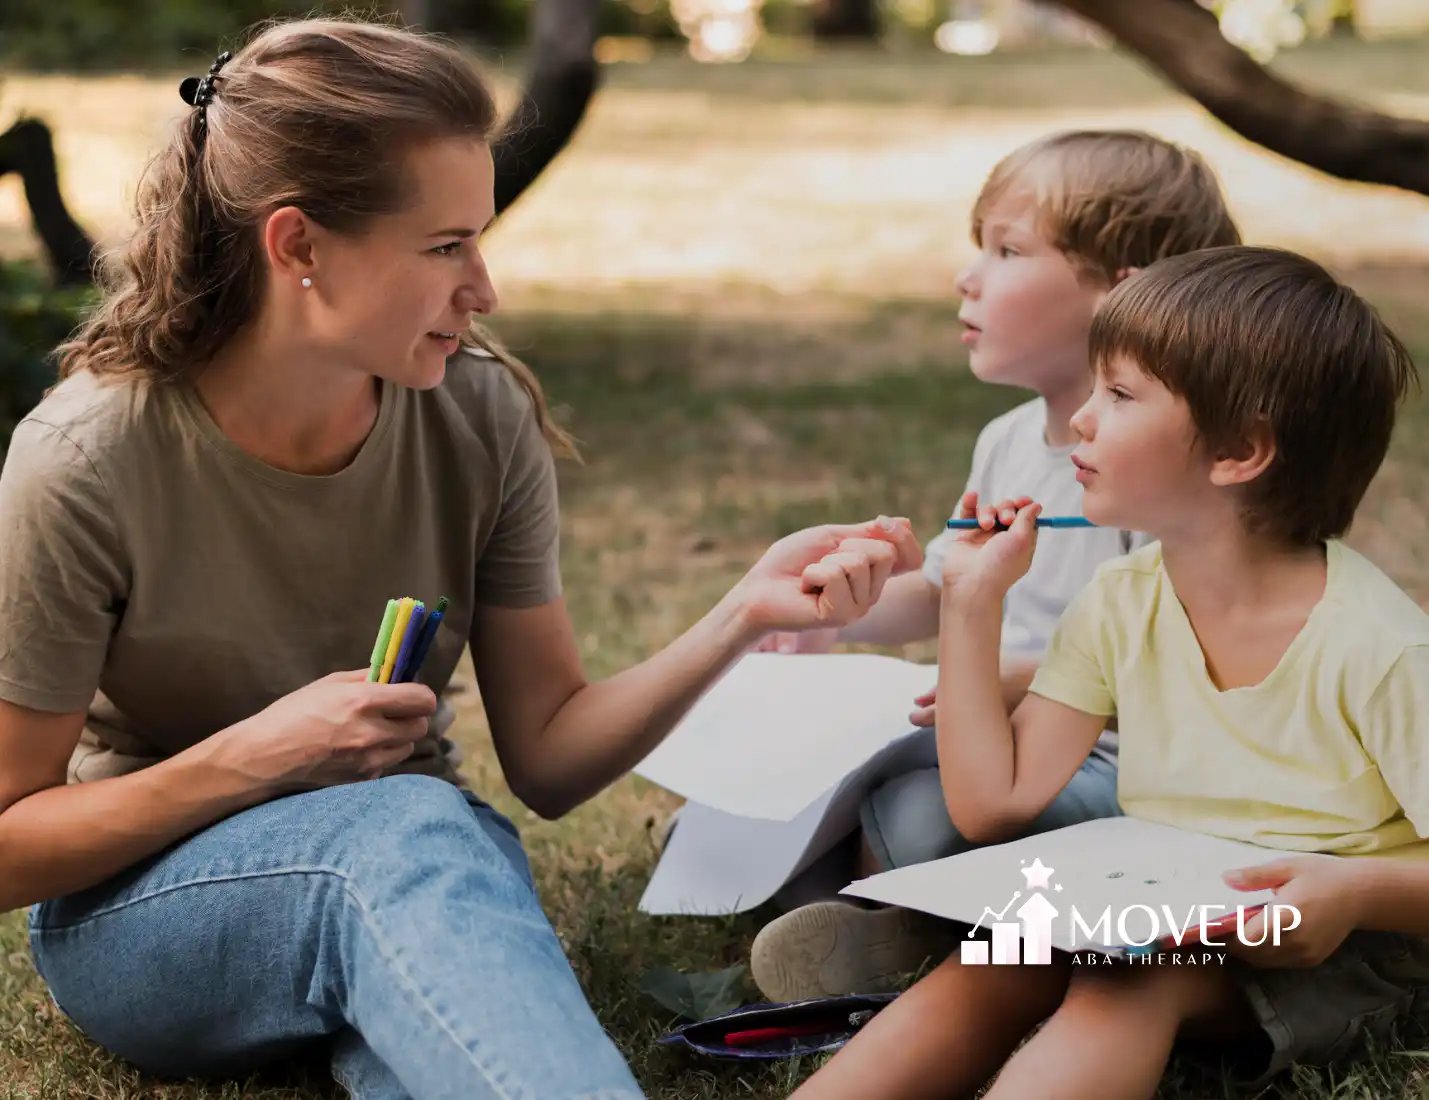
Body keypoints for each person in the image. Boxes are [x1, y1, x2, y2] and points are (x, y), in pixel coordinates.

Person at [0, 18, 923, 1100]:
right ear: (297, 246)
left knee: (429, 947)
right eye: (445, 246)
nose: (483, 288)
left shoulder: (477, 413)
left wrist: (741, 616)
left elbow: (548, 757)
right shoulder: (86, 459)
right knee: (411, 829)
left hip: (422, 872)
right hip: (147, 914)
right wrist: (257, 756)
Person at [790, 245, 1429, 1100]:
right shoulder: (1119, 602)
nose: (1080, 421)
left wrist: (1351, 890)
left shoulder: (1379, 648)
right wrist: (970, 605)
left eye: (1120, 395)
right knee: (991, 957)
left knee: (1120, 985)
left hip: (1338, 938)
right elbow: (990, 806)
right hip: (1157, 907)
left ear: (1238, 451)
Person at [745, 130, 1241, 1003]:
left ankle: (896, 937)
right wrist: (836, 611)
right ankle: (881, 928)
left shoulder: (1158, 467)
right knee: (813, 767)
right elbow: (945, 586)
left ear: (1122, 294)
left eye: (1006, 251)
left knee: (918, 813)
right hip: (985, 731)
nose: (966, 277)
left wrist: (999, 684)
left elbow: (1176, 659)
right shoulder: (1006, 441)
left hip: (1109, 765)